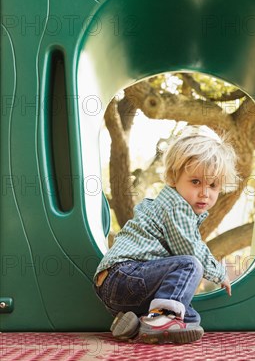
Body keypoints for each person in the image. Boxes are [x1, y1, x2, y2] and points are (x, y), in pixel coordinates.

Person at [93, 127, 238, 344]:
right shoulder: (175, 206)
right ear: (173, 177)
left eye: (213, 185)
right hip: (124, 275)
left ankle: (133, 324)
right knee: (191, 265)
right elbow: (190, 250)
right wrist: (219, 273)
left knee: (190, 317)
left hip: (116, 287)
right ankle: (158, 322)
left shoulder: (171, 207)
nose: (204, 193)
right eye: (196, 182)